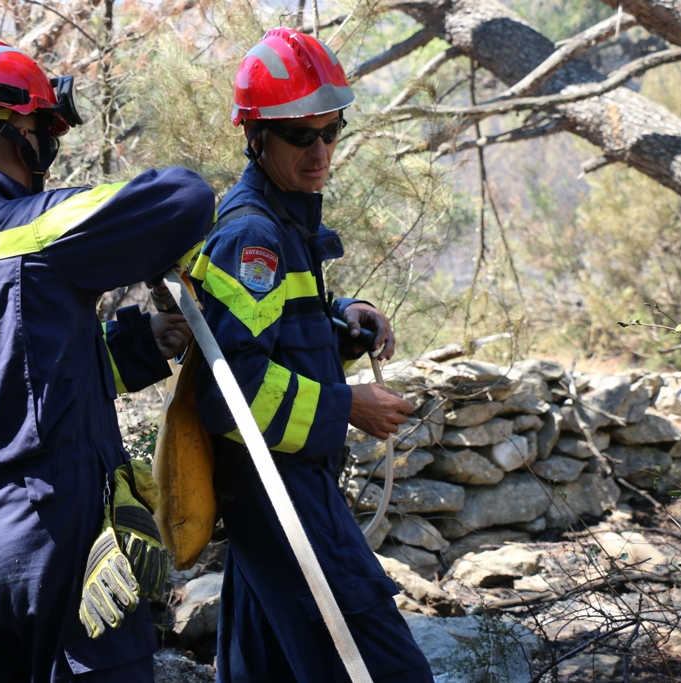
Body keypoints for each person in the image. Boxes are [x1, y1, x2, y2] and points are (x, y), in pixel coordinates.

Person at [0, 39, 213, 682]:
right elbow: (183, 198)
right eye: (45, 133)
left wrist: (137, 345)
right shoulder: (36, 226)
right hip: (47, 532)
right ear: (22, 132)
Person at [190, 27, 433, 682]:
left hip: (273, 495)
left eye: (332, 131)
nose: (321, 151)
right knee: (382, 666)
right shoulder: (254, 238)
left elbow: (277, 335)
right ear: (257, 136)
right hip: (281, 492)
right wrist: (345, 406)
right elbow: (229, 390)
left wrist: (342, 322)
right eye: (301, 135)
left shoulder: (286, 220)